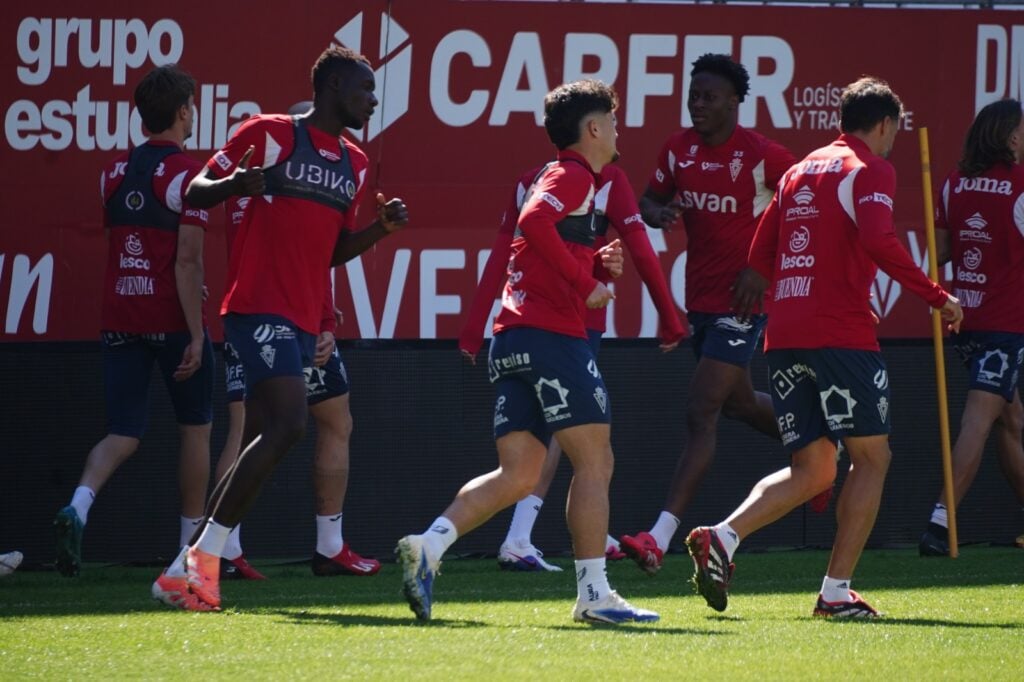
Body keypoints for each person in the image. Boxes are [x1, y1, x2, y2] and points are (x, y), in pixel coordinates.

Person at [686, 76, 963, 618]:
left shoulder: (796, 173)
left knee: (814, 469)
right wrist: (937, 296)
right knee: (872, 457)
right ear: (884, 125)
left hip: (784, 336)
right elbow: (880, 239)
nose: (891, 143)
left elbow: (760, 254)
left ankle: (723, 536)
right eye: (893, 133)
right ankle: (835, 592)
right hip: (840, 336)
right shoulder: (871, 168)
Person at [151, 46, 408, 611]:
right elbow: (193, 192)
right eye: (365, 89)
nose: (372, 99)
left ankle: (186, 567)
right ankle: (198, 563)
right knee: (290, 425)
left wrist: (379, 231)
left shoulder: (356, 163)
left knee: (272, 432)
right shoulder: (266, 132)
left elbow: (333, 250)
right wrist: (236, 184)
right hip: (256, 307)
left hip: (299, 315)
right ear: (334, 86)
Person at [397, 79, 659, 625]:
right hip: (552, 337)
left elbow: (535, 244)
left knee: (517, 474)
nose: (618, 130)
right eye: (612, 121)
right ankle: (594, 595)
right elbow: (533, 222)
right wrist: (584, 284)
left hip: (512, 336)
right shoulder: (573, 174)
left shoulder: (549, 175)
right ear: (592, 129)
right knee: (595, 460)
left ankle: (429, 544)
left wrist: (590, 268)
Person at [618, 54, 799, 575]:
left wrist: (762, 269)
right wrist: (660, 213)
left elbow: (807, 204)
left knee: (701, 412)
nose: (698, 104)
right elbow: (650, 201)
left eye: (709, 96)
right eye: (693, 95)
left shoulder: (764, 156)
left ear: (734, 102)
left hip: (742, 305)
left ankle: (658, 537)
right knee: (740, 404)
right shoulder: (678, 150)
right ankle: (818, 448)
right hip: (699, 301)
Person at [458, 162, 687, 571]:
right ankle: (534, 543)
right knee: (582, 445)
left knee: (547, 445)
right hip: (570, 325)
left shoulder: (532, 177)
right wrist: (669, 317)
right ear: (592, 126)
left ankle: (446, 538)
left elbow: (506, 253)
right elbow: (639, 247)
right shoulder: (604, 178)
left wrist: (474, 330)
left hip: (523, 323)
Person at [53, 64, 213, 578]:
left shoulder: (113, 173)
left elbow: (126, 244)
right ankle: (189, 553)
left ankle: (78, 506)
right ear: (183, 110)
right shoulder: (191, 175)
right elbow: (186, 261)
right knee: (196, 428)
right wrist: (195, 331)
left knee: (123, 431)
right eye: (192, 105)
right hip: (169, 320)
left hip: (120, 315)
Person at [215, 192, 379, 580]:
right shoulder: (295, 175)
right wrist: (322, 319)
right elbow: (313, 254)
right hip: (283, 319)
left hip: (261, 317)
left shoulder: (243, 181)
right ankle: (217, 546)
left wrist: (324, 320)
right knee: (250, 431)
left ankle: (326, 547)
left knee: (332, 421)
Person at [919, 98, 1024, 556]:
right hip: (1006, 326)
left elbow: (938, 255)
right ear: (1011, 137)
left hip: (964, 321)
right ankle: (941, 523)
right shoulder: (1021, 185)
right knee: (978, 422)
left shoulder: (953, 183)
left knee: (1011, 421)